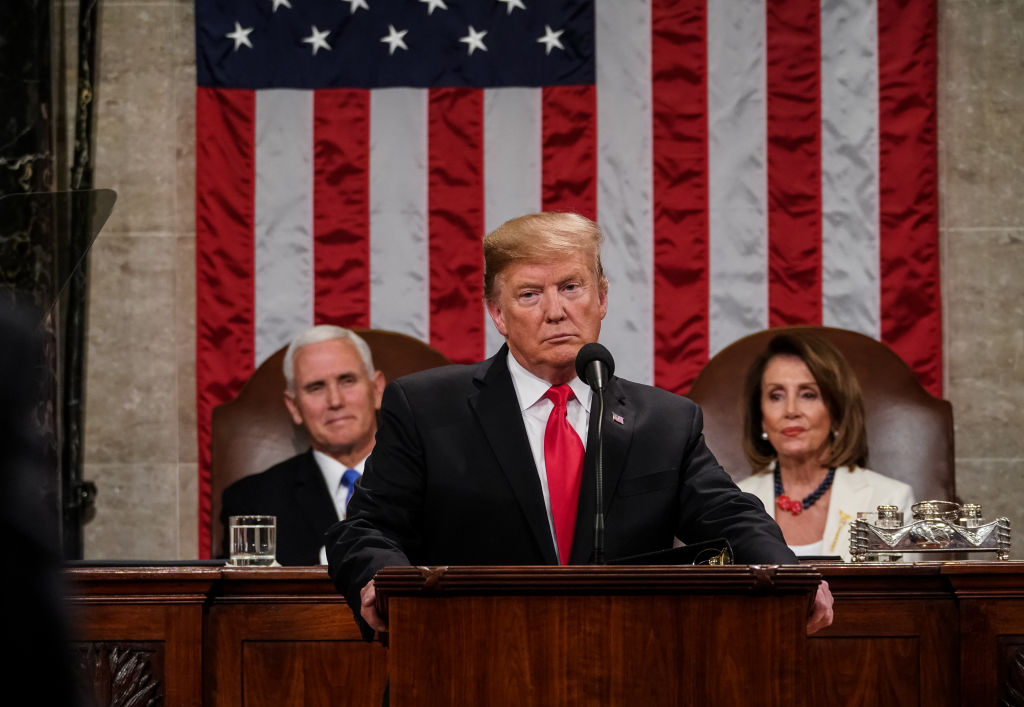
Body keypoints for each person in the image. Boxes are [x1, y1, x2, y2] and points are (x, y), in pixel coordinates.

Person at [328, 212, 833, 635]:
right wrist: (380, 581)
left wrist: (792, 577)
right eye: (529, 295)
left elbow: (730, 518)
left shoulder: (664, 422)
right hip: (469, 659)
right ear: (497, 314)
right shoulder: (426, 408)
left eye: (571, 287)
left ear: (602, 298)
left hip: (626, 664)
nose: (556, 312)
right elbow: (365, 528)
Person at [737, 332, 915, 561]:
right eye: (776, 396)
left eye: (808, 394)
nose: (791, 410)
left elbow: (903, 595)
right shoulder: (736, 502)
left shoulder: (890, 500)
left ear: (837, 412)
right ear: (761, 417)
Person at [220, 325, 385, 565]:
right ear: (294, 407)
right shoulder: (252, 502)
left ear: (377, 389)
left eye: (347, 381)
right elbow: (245, 596)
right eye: (316, 387)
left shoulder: (430, 484)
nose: (335, 401)